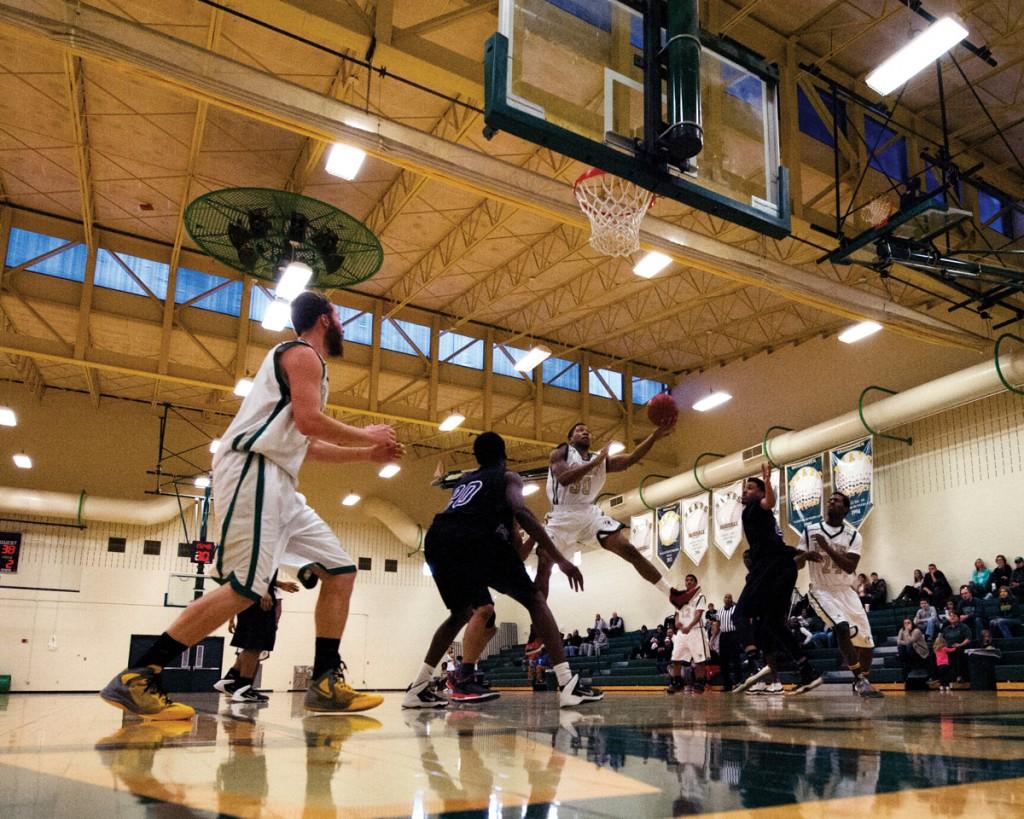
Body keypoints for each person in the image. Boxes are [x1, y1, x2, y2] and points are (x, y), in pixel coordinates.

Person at [100, 291, 402, 720]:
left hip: (279, 478)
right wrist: (368, 436)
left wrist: (365, 455)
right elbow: (308, 422)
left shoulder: (311, 367)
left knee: (341, 570)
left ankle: (324, 679)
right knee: (245, 588)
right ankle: (139, 675)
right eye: (338, 316)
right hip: (253, 471)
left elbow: (304, 443)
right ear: (323, 319)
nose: (343, 325)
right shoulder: (301, 355)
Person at [401, 431, 603, 709]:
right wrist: (560, 560)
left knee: (461, 613)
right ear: (504, 455)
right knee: (534, 599)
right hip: (473, 540)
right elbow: (521, 511)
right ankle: (567, 682)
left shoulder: (465, 480)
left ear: (477, 457)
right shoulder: (508, 477)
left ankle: (419, 687)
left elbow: (510, 552)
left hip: (438, 539)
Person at [538, 421, 691, 609]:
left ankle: (672, 594)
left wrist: (653, 437)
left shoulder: (599, 459)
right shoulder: (561, 452)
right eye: (579, 430)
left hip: (588, 514)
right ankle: (537, 629)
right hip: (561, 515)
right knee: (544, 566)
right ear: (570, 438)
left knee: (628, 549)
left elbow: (632, 458)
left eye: (588, 430)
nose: (585, 432)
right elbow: (564, 479)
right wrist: (596, 462)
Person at [732, 464, 822, 696]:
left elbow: (768, 502)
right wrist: (802, 554)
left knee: (739, 614)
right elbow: (778, 545)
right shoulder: (760, 517)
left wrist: (767, 481)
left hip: (769, 568)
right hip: (784, 566)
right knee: (774, 623)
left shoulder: (756, 507)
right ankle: (806, 670)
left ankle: (755, 664)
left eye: (750, 488)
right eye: (745, 488)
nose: (745, 491)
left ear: (760, 493)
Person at [796, 491, 882, 698]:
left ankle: (863, 679)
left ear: (846, 509)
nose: (831, 502)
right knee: (841, 627)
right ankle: (860, 680)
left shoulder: (853, 535)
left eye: (836, 501)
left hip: (847, 591)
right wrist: (806, 555)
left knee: (867, 643)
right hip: (821, 590)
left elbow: (850, 567)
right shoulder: (810, 530)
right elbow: (797, 563)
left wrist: (826, 547)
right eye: (830, 500)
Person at [215, 572, 300, 702]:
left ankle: (231, 679)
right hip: (258, 600)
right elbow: (257, 569)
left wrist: (280, 584)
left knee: (251, 645)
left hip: (250, 599)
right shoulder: (263, 554)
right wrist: (264, 591)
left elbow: (260, 574)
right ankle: (243, 688)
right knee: (254, 645)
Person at [667, 574, 708, 694]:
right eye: (687, 580)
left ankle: (700, 683)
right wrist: (677, 623)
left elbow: (698, 614)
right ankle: (677, 683)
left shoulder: (700, 596)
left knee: (699, 660)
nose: (688, 582)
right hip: (682, 633)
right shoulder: (680, 597)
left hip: (695, 631)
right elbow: (677, 614)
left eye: (691, 580)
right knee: (675, 658)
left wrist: (689, 626)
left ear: (695, 583)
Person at [716, 594, 742, 691]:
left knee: (736, 659)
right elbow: (717, 625)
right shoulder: (720, 611)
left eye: (729, 597)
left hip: (734, 635)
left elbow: (740, 621)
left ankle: (738, 682)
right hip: (723, 636)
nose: (727, 599)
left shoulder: (736, 609)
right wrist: (713, 638)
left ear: (732, 599)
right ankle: (727, 684)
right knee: (723, 661)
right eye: (726, 597)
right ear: (723, 599)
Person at [940, 611, 972, 683]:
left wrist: (960, 644)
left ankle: (959, 676)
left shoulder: (964, 627)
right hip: (947, 648)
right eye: (950, 616)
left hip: (960, 647)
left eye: (954, 616)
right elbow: (941, 639)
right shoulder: (946, 629)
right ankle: (939, 677)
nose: (952, 617)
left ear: (958, 618)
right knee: (935, 654)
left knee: (957, 652)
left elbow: (968, 639)